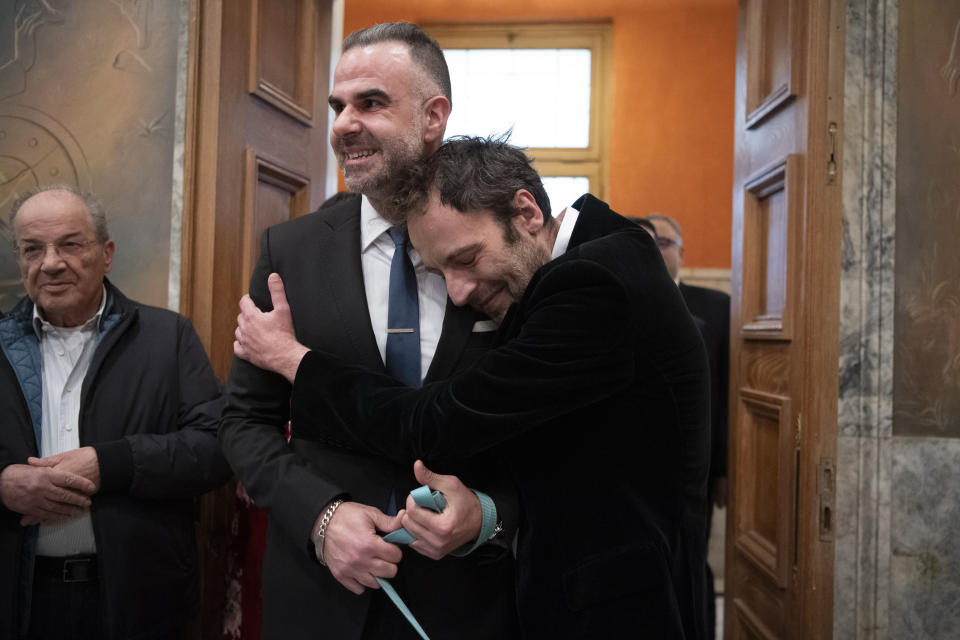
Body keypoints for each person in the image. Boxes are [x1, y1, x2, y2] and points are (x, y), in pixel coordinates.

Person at [233, 136, 712, 639]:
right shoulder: (602, 248)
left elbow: (434, 423)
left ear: (526, 211)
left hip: (615, 611)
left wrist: (294, 361)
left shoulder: (593, 285)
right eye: (440, 273)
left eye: (465, 258)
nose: (457, 292)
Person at [218, 23, 519, 640]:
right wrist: (321, 518)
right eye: (337, 107)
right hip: (321, 597)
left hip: (471, 601)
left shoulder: (502, 244)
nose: (343, 124)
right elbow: (242, 421)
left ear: (434, 116)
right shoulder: (291, 251)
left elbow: (547, 437)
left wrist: (490, 515)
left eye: (371, 103)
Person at [0, 185, 230, 639]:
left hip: (135, 603)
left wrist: (111, 463)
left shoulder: (168, 337)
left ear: (106, 253)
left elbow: (217, 447)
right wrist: (1, 485)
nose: (51, 263)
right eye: (33, 249)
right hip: (17, 605)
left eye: (70, 244)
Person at [646, 212, 730, 638]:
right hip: (642, 466)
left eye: (664, 243)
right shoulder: (619, 300)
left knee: (694, 561)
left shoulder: (716, 307)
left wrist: (723, 469)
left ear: (682, 251)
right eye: (649, 242)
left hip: (699, 464)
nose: (656, 250)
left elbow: (727, 393)